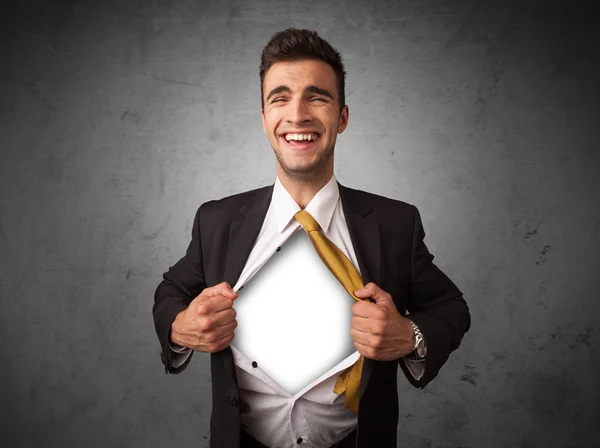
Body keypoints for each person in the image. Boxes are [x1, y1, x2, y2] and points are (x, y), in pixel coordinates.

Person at [153, 28, 471, 448]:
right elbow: (171, 291)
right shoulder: (217, 220)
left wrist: (408, 336)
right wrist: (181, 327)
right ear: (264, 117)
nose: (297, 114)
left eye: (316, 97)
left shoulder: (396, 224)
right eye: (279, 98)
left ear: (341, 117)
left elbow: (450, 308)